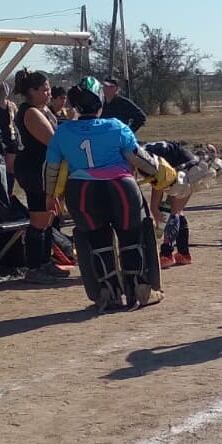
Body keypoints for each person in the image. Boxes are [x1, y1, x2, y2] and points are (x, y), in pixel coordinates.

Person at [44, 77, 165, 310]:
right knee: (132, 238)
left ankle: (107, 291)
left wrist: (51, 196)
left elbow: (51, 169)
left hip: (81, 192)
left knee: (97, 242)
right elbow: (139, 159)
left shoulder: (63, 131)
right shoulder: (116, 126)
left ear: (76, 105)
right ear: (100, 101)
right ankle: (139, 289)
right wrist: (158, 171)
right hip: (122, 188)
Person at [12, 71, 69, 284]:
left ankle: (45, 262)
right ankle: (34, 268)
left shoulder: (44, 109)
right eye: (44, 90)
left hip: (46, 168)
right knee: (39, 218)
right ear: (32, 92)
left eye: (49, 89)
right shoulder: (30, 112)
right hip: (33, 169)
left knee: (49, 216)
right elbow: (52, 140)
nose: (48, 93)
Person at [144, 140, 198, 269]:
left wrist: (154, 208)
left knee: (173, 212)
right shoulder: (142, 150)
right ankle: (184, 254)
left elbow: (159, 182)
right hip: (190, 164)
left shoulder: (142, 157)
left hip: (184, 168)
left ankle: (166, 255)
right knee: (177, 210)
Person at [0, 80, 19, 195]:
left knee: (10, 170)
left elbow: (17, 122)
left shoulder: (12, 106)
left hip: (11, 140)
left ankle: (9, 193)